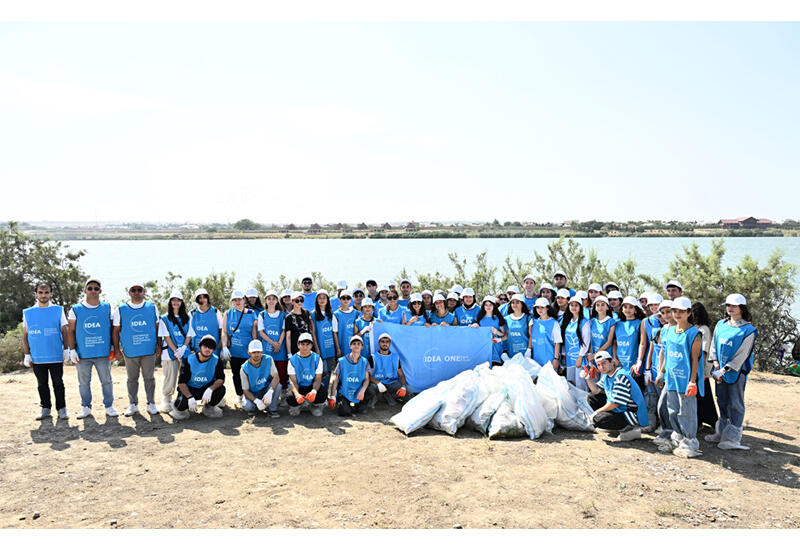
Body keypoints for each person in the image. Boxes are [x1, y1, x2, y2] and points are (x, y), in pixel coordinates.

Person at [705, 294, 758, 451]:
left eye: (734, 305)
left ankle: (733, 438)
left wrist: (725, 368)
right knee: (721, 400)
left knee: (735, 403)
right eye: (728, 305)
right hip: (718, 371)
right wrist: (715, 364)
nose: (730, 308)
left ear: (742, 308)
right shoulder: (721, 324)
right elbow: (713, 345)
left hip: (736, 372)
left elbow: (743, 354)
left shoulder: (749, 330)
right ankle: (721, 433)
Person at [653, 296, 704, 458]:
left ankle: (689, 442)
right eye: (675, 311)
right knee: (672, 409)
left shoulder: (694, 333)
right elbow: (667, 354)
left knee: (686, 411)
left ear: (689, 312)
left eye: (681, 311)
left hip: (685, 379)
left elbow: (694, 359)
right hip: (672, 378)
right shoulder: (668, 330)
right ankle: (677, 437)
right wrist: (662, 372)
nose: (677, 314)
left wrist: (692, 381)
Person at [68, 278, 118, 419]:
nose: (93, 291)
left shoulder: (107, 308)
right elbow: (70, 331)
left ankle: (109, 406)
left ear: (100, 291)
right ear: (85, 290)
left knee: (106, 381)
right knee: (84, 382)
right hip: (83, 354)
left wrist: (113, 347)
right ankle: (86, 407)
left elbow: (113, 329)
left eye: (96, 288)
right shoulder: (75, 309)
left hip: (103, 352)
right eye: (90, 288)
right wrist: (72, 350)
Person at [23, 281, 70, 420]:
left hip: (55, 354)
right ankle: (45, 408)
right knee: (42, 384)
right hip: (37, 355)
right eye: (40, 292)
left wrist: (66, 349)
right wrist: (27, 354)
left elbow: (64, 330)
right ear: (36, 294)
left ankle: (62, 409)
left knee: (58, 383)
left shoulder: (58, 310)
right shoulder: (28, 312)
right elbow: (25, 334)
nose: (43, 295)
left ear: (51, 293)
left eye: (46, 292)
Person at [112, 282, 160, 416]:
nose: (136, 292)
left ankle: (151, 403)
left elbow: (157, 327)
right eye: (133, 290)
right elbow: (116, 330)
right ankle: (133, 404)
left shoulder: (152, 307)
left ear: (144, 292)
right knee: (132, 379)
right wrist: (116, 349)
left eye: (139, 290)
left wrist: (158, 345)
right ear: (129, 293)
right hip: (130, 351)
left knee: (149, 378)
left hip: (148, 349)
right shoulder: (121, 309)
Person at [585, 351, 649, 441]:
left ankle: (630, 429)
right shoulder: (608, 376)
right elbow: (596, 391)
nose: (601, 367)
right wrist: (587, 378)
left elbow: (614, 404)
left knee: (598, 419)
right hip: (620, 409)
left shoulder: (620, 376)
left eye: (604, 363)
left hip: (631, 413)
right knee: (592, 398)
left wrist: (596, 413)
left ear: (612, 362)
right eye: (598, 365)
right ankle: (615, 426)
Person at [170, 334, 225, 419]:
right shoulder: (188, 360)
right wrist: (190, 397)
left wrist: (210, 389)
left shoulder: (217, 360)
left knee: (221, 390)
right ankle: (180, 405)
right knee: (180, 404)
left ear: (213, 350)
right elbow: (181, 382)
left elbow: (221, 379)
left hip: (206, 389)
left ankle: (208, 408)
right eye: (205, 346)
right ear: (199, 348)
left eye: (210, 347)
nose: (207, 349)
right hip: (190, 389)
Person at [221, 290, 259, 407]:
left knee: (249, 374)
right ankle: (239, 395)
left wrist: (255, 348)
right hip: (234, 351)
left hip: (248, 352)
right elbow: (224, 331)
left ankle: (250, 396)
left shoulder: (252, 313)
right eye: (235, 300)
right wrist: (224, 347)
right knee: (236, 374)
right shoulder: (228, 313)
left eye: (239, 299)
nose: (237, 302)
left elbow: (254, 333)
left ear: (244, 300)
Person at [157, 292, 191, 412]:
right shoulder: (164, 318)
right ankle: (166, 399)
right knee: (170, 377)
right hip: (169, 353)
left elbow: (189, 335)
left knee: (183, 377)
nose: (176, 302)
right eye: (173, 300)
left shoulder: (187, 318)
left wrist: (183, 349)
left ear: (182, 303)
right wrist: (176, 351)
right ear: (170, 302)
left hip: (184, 352)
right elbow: (166, 337)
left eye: (178, 300)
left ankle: (182, 399)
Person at [690, 301, 719, 430]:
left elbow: (704, 351)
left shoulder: (704, 329)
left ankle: (712, 422)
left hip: (701, 368)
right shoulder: (691, 328)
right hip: (692, 367)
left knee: (704, 397)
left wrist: (699, 370)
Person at [329, 335, 373, 416]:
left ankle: (360, 405)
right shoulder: (342, 361)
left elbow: (367, 379)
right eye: (354, 344)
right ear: (350, 346)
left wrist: (362, 391)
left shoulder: (364, 361)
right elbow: (336, 379)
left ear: (362, 347)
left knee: (371, 389)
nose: (356, 346)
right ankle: (347, 405)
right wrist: (332, 396)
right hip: (345, 391)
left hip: (358, 390)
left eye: (358, 344)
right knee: (343, 412)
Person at [286, 332, 327, 416]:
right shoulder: (292, 360)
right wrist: (297, 395)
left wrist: (314, 391)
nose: (305, 347)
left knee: (322, 394)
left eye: (308, 344)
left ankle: (314, 405)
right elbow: (293, 381)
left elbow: (318, 379)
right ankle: (298, 405)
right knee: (290, 397)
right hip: (299, 386)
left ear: (311, 346)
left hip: (311, 386)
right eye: (302, 344)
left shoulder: (317, 358)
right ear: (298, 345)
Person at [258, 290, 288, 392]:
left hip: (280, 349)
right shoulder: (262, 315)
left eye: (273, 298)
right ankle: (267, 394)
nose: (271, 301)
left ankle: (283, 393)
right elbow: (261, 332)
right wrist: (273, 343)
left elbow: (284, 330)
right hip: (267, 349)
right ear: (265, 300)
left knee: (282, 372)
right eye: (269, 298)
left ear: (277, 301)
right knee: (267, 372)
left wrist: (279, 344)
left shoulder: (282, 315)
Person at [240, 340, 281, 417]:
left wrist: (270, 391)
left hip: (265, 389)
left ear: (262, 351)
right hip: (253, 393)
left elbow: (276, 377)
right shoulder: (244, 368)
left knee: (278, 386)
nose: (256, 355)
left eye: (258, 352)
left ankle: (272, 409)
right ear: (249, 353)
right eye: (254, 352)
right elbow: (245, 390)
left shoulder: (269, 359)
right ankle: (254, 408)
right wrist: (256, 401)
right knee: (247, 406)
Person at [613, 297, 646, 392]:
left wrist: (638, 362)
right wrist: (615, 358)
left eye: (631, 307)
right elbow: (614, 343)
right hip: (620, 365)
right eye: (625, 307)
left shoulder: (640, 323)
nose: (627, 310)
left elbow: (642, 343)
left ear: (635, 309)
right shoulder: (617, 324)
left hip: (633, 366)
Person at [367, 333, 408, 407]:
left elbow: (401, 375)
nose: (385, 344)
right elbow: (369, 376)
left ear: (390, 344)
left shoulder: (395, 357)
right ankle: (381, 397)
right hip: (378, 383)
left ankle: (385, 396)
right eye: (382, 341)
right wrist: (378, 383)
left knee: (408, 390)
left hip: (391, 383)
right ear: (379, 343)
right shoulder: (373, 357)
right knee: (371, 388)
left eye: (387, 342)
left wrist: (403, 387)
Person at [561, 295, 591, 390]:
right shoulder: (568, 321)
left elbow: (586, 341)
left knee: (581, 384)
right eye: (571, 305)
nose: (573, 307)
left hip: (579, 358)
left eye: (576, 305)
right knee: (572, 383)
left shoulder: (584, 322)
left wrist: (580, 357)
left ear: (580, 307)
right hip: (570, 358)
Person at [472, 296, 507, 366]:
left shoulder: (499, 318)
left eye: (490, 305)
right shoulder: (479, 318)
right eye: (486, 305)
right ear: (483, 306)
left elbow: (503, 334)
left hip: (496, 349)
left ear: (494, 306)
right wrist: (475, 326)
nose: (488, 307)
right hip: (483, 349)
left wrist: (497, 332)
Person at [312, 289, 337, 387]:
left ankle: (326, 395)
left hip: (330, 348)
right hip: (320, 348)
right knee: (322, 373)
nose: (322, 300)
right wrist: (317, 348)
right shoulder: (313, 314)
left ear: (327, 300)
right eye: (320, 298)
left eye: (324, 298)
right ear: (317, 300)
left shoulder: (331, 313)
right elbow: (313, 333)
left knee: (329, 372)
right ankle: (320, 396)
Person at [531, 297, 563, 371]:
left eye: (542, 307)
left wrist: (556, 358)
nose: (540, 309)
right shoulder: (534, 322)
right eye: (537, 307)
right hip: (536, 361)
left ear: (547, 308)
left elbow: (557, 343)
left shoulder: (554, 323)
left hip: (550, 361)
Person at [189, 288, 223, 353]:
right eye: (200, 298)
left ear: (207, 298)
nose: (202, 300)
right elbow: (189, 332)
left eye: (204, 297)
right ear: (197, 300)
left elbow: (221, 330)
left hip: (213, 349)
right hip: (197, 349)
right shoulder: (192, 313)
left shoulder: (215, 312)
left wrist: (223, 347)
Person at [588, 296, 616, 369]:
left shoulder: (611, 322)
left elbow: (609, 342)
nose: (600, 307)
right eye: (598, 305)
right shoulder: (592, 321)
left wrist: (595, 355)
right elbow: (591, 340)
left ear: (607, 307)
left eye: (603, 305)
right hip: (593, 357)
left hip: (605, 357)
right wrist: (590, 354)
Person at [284, 291, 315, 357]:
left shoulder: (306, 313)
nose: (300, 302)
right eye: (297, 301)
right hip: (296, 349)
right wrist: (289, 353)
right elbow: (288, 337)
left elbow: (311, 331)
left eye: (301, 300)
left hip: (308, 348)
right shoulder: (288, 317)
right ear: (292, 302)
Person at [332, 288, 359, 358]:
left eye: (348, 298)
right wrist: (338, 349)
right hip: (343, 346)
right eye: (343, 298)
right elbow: (335, 333)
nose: (346, 300)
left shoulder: (356, 313)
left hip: (355, 347)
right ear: (340, 300)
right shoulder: (336, 314)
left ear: (351, 300)